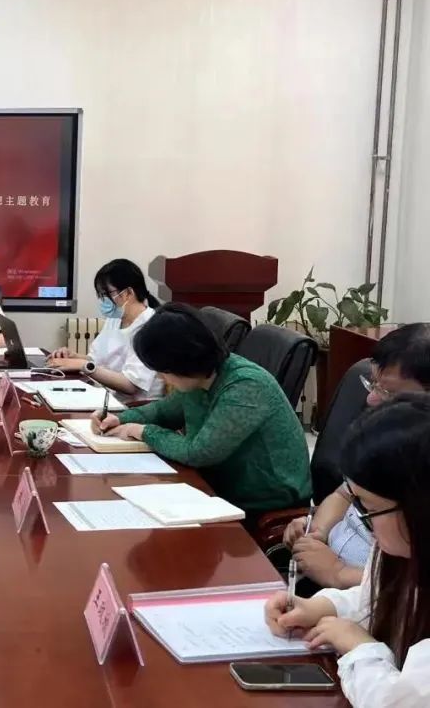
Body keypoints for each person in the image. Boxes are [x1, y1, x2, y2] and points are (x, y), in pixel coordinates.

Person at [265, 395, 430, 707]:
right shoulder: (402, 551)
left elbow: (398, 703)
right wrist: (322, 607)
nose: (363, 522)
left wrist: (359, 647)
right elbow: (379, 596)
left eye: (369, 508)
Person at [93, 303, 310, 516]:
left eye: (162, 370)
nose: (160, 377)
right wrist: (120, 419)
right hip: (217, 485)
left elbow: (198, 453)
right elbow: (163, 412)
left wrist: (142, 431)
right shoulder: (199, 377)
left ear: (183, 362)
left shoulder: (246, 386)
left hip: (263, 501)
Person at [282, 323, 430, 591]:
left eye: (388, 392)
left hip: (369, 595)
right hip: (330, 582)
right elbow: (345, 493)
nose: (371, 399)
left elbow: (412, 584)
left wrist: (338, 572)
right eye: (373, 384)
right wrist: (317, 532)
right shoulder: (387, 436)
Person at [47, 259, 164, 398]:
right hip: (107, 397)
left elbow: (131, 385)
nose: (103, 300)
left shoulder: (150, 327)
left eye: (106, 294)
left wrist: (83, 365)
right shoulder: (115, 319)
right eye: (101, 295)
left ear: (128, 293)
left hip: (134, 406)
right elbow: (96, 360)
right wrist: (73, 357)